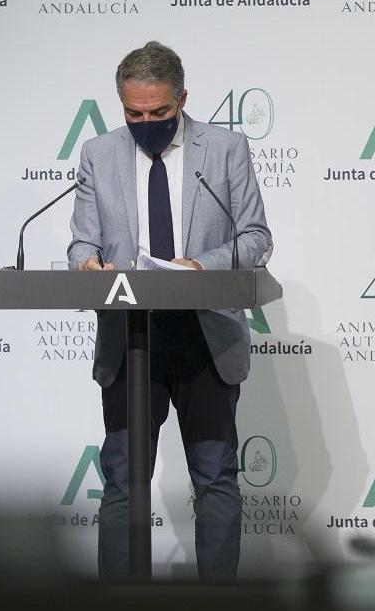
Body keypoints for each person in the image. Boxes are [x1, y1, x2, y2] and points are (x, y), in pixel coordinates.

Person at [68, 41, 273, 581]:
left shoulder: (225, 148)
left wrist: (200, 266)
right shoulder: (98, 154)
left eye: (159, 112)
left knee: (214, 477)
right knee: (123, 479)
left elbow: (254, 239)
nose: (146, 122)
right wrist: (87, 264)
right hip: (131, 336)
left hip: (205, 336)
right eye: (134, 113)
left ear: (183, 98)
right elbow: (80, 244)